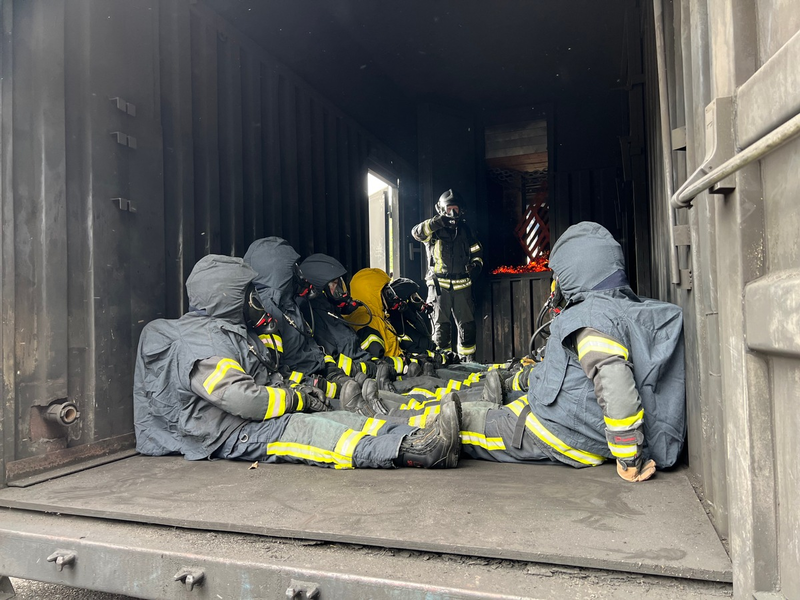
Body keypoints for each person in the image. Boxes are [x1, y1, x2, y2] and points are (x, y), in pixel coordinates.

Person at [133, 254, 462, 470]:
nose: (256, 300)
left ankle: (416, 432)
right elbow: (244, 400)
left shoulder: (230, 332)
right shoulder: (200, 342)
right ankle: (413, 451)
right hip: (227, 434)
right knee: (311, 431)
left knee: (341, 417)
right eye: (249, 293)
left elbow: (265, 379)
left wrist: (303, 392)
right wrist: (297, 399)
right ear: (227, 296)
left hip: (244, 422)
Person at [459, 222, 685, 482]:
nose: (555, 284)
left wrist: (629, 456)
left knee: (467, 423)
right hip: (570, 416)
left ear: (576, 270)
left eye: (557, 275)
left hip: (567, 433)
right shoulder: (623, 308)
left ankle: (410, 440)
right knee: (486, 407)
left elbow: (615, 383)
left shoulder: (592, 317)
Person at [412, 189, 483, 362]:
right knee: (441, 329)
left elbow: (477, 253)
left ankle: (468, 362)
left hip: (463, 286)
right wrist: (436, 223)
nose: (453, 213)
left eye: (456, 209)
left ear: (461, 210)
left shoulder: (466, 230)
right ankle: (443, 363)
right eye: (449, 208)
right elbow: (416, 232)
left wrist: (475, 265)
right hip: (439, 287)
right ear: (442, 209)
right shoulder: (432, 230)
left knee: (467, 328)